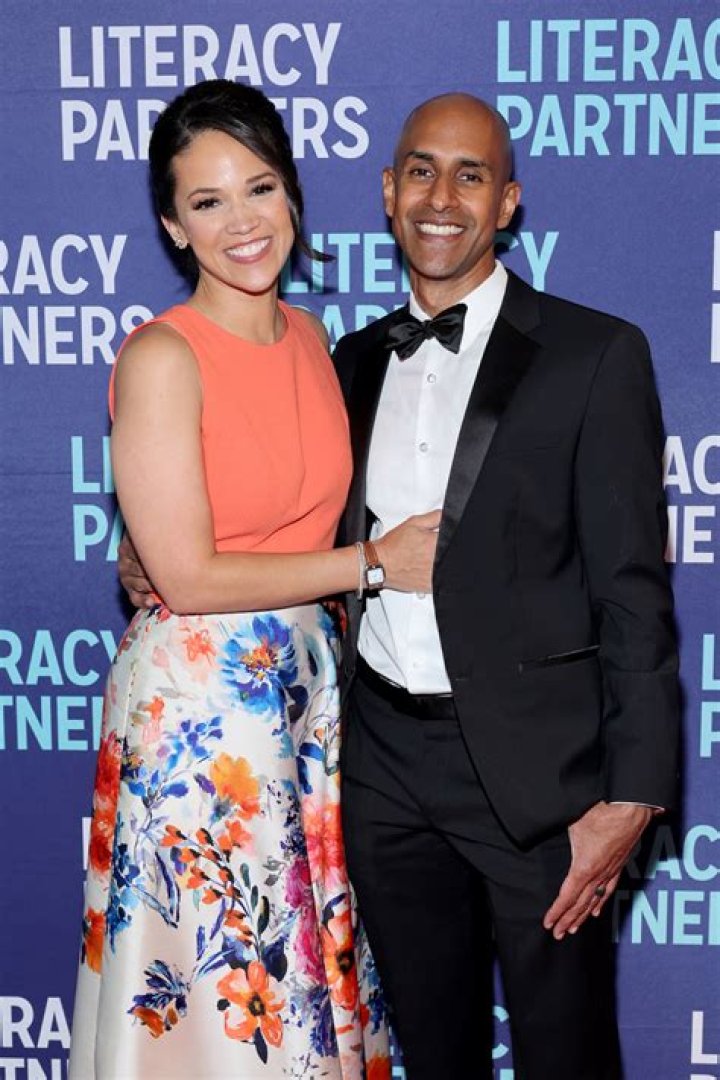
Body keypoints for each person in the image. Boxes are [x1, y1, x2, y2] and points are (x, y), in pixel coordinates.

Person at [120, 91, 680, 1079]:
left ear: (507, 202)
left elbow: (634, 590)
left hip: (539, 782)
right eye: (421, 171)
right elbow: (251, 512)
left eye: (472, 176)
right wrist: (154, 553)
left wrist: (633, 791)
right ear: (387, 192)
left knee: (568, 1053)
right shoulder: (350, 359)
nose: (442, 199)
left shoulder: (596, 355)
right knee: (425, 1050)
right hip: (375, 772)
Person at [69, 78, 439, 1080]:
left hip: (306, 699)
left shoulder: (316, 339)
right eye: (208, 201)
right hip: (201, 713)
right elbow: (186, 576)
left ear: (292, 194)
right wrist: (374, 564)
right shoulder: (162, 356)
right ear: (173, 227)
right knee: (223, 995)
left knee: (297, 988)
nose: (242, 221)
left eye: (260, 187)